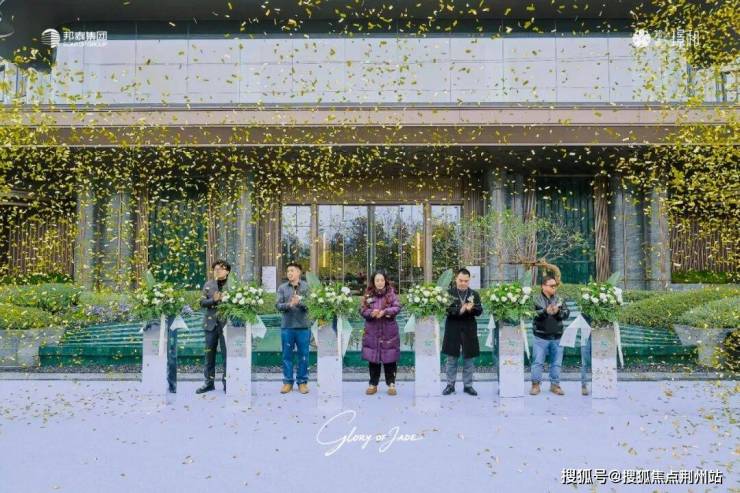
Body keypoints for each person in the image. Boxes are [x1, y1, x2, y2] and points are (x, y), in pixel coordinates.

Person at [442, 268, 483, 396]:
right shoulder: (448, 293)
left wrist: (471, 309)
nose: (463, 283)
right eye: (461, 280)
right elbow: (446, 310)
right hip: (453, 328)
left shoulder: (474, 294)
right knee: (451, 359)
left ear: (469, 281)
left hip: (469, 328)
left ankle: (468, 386)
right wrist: (461, 309)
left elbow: (479, 311)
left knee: (469, 359)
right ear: (456, 279)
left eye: (466, 281)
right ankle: (450, 385)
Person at [360, 270, 402, 396]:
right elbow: (362, 310)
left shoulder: (391, 294)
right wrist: (371, 313)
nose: (380, 282)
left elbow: (397, 307)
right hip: (372, 331)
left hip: (388, 331)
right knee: (373, 359)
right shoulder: (368, 294)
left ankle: (391, 384)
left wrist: (385, 312)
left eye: (382, 280)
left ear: (385, 281)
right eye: (377, 280)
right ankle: (373, 384)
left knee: (390, 358)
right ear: (373, 282)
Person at [530, 275, 571, 396]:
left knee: (556, 363)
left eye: (555, 285)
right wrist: (545, 311)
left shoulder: (559, 299)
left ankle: (555, 385)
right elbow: (531, 314)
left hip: (557, 336)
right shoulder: (536, 299)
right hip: (541, 336)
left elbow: (566, 314)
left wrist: (558, 312)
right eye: (551, 285)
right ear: (543, 286)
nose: (554, 287)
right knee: (537, 362)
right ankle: (535, 385)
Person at [196, 259, 231, 394]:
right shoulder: (208, 284)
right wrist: (213, 300)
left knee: (227, 355)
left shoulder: (232, 285)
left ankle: (227, 383)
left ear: (227, 271)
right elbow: (202, 302)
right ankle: (209, 383)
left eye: (221, 269)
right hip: (210, 325)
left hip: (226, 325)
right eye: (215, 269)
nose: (217, 271)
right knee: (209, 355)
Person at [276, 262, 311, 394]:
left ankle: (302, 382)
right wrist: (290, 305)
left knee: (304, 356)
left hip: (303, 327)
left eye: (292, 270)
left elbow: (311, 304)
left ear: (299, 272)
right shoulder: (282, 288)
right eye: (288, 271)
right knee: (287, 355)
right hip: (287, 327)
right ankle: (287, 382)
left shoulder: (307, 287)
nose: (289, 273)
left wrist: (300, 303)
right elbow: (278, 305)